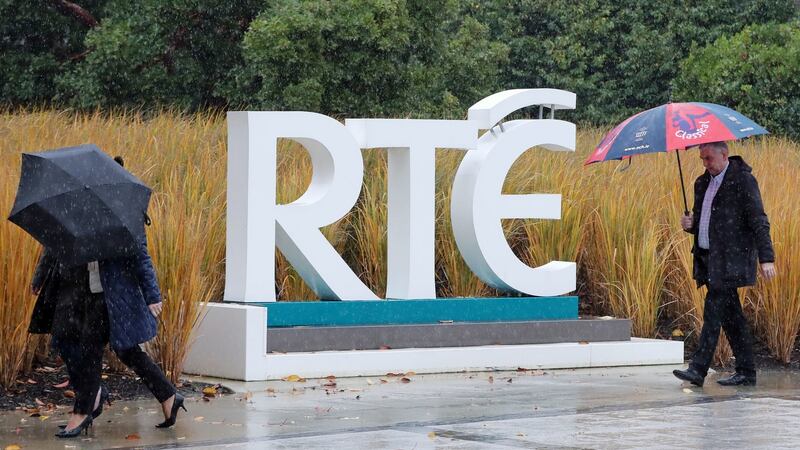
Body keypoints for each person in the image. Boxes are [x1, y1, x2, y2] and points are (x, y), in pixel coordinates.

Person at [28, 156, 186, 438]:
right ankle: (167, 395)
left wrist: (152, 295)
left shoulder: (123, 211)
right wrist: (40, 277)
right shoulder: (74, 205)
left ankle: (83, 410)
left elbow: (141, 256)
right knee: (98, 346)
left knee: (90, 350)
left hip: (110, 296)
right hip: (76, 292)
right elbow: (53, 243)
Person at [673, 141, 776, 387]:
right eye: (702, 158)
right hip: (708, 259)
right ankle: (747, 372)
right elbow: (704, 223)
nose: (705, 163)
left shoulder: (743, 181)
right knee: (732, 317)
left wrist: (767, 258)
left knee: (713, 309)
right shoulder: (701, 183)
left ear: (724, 154)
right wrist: (690, 225)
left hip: (731, 259)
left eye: (709, 158)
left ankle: (698, 369)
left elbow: (759, 220)